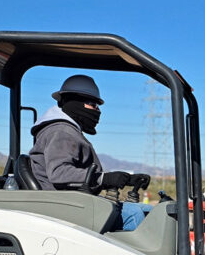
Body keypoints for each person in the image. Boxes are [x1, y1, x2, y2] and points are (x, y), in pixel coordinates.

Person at [28, 75, 151, 231]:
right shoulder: (61, 131)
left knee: (148, 211)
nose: (98, 110)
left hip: (74, 201)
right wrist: (104, 179)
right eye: (93, 104)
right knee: (134, 215)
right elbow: (59, 173)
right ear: (74, 102)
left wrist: (126, 180)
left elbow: (84, 173)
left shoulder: (68, 131)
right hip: (64, 205)